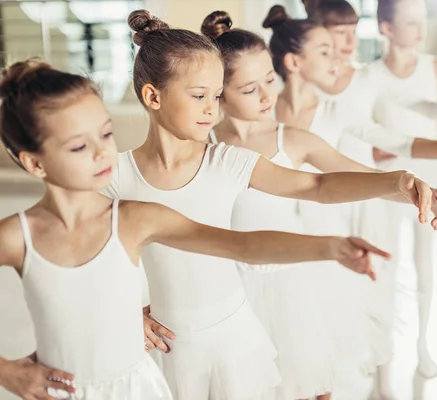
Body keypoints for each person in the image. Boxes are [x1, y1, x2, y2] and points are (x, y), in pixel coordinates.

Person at [0, 59, 388, 400]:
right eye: (78, 147)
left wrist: (332, 246)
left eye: (106, 134)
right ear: (34, 164)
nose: (103, 153)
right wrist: (8, 372)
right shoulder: (17, 237)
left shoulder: (138, 217)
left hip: (142, 387)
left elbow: (242, 245)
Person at [200, 10, 437, 400]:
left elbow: (350, 179)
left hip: (291, 287)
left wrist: (411, 188)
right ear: (219, 92)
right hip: (227, 293)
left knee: (311, 386)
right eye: (250, 89)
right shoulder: (204, 149)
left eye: (270, 79)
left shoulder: (294, 139)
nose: (268, 95)